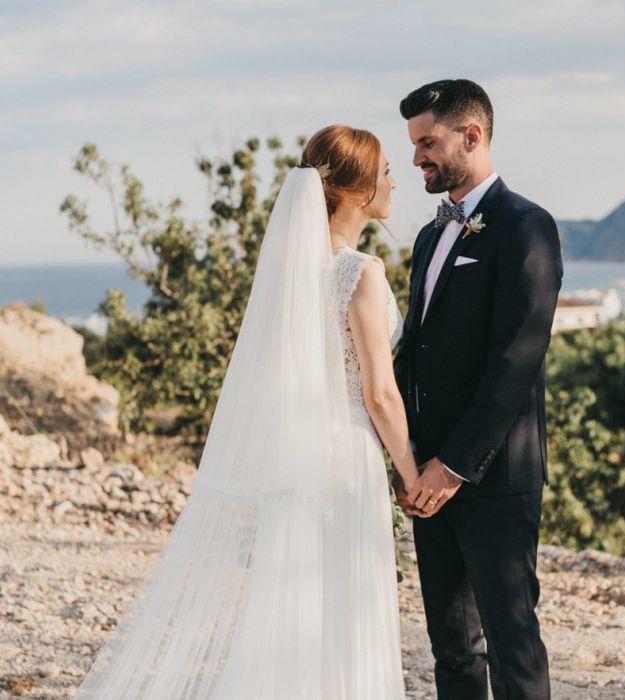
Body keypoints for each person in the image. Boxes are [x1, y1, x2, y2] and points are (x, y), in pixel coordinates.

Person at [74, 125, 416, 699]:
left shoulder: (293, 273)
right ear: (356, 190)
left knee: (298, 606)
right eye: (384, 172)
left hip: (302, 452)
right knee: (346, 602)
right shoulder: (362, 271)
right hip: (350, 455)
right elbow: (379, 394)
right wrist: (411, 472)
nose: (394, 181)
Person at [394, 79, 563, 699]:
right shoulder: (430, 236)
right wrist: (406, 456)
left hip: (491, 476)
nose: (417, 159)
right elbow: (414, 352)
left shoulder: (527, 226)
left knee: (511, 643)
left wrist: (455, 466)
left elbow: (517, 357)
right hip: (424, 477)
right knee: (452, 648)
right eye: (413, 146)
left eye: (427, 143)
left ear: (473, 135)